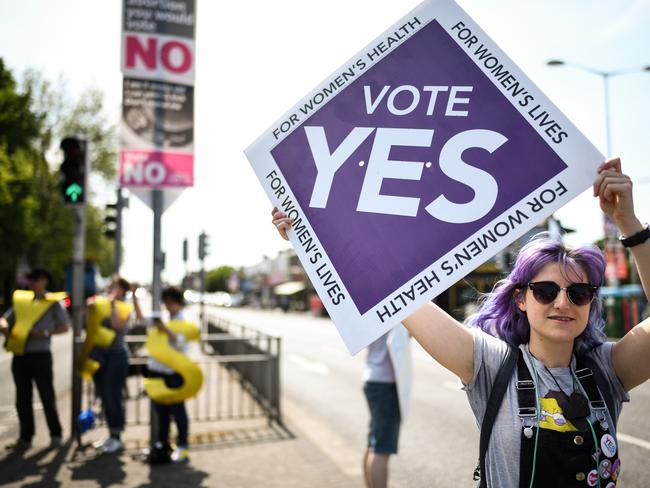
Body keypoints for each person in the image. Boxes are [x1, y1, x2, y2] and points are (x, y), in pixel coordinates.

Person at [272, 157, 650, 487]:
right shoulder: (490, 364)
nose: (563, 302)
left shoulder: (607, 369)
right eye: (546, 291)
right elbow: (392, 290)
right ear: (520, 298)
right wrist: (311, 238)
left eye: (579, 293)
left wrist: (628, 222)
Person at [0, 268, 70, 449]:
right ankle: (26, 437)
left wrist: (43, 333)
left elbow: (64, 327)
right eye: (30, 279)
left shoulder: (52, 302)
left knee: (46, 396)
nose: (31, 283)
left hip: (41, 355)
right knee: (22, 398)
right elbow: (6, 319)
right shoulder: (22, 301)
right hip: (20, 354)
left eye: (35, 279)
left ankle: (56, 434)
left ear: (44, 281)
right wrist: (4, 326)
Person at [91, 277, 143, 454]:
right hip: (100, 356)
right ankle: (111, 433)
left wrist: (112, 305)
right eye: (110, 286)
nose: (110, 289)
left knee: (113, 397)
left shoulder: (123, 307)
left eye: (115, 286)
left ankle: (117, 437)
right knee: (104, 397)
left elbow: (116, 325)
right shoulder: (103, 303)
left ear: (122, 290)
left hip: (116, 357)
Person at [146, 286, 192, 463]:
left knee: (178, 411)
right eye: (165, 303)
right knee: (161, 411)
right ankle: (162, 443)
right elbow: (141, 319)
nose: (167, 306)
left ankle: (183, 445)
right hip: (158, 371)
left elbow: (182, 344)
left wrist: (165, 329)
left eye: (170, 303)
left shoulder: (184, 320)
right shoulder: (165, 317)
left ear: (178, 302)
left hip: (174, 373)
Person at [362, 333, 401, 488]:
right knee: (381, 449)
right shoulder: (393, 312)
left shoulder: (371, 315)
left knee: (373, 442)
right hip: (386, 383)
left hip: (372, 377)